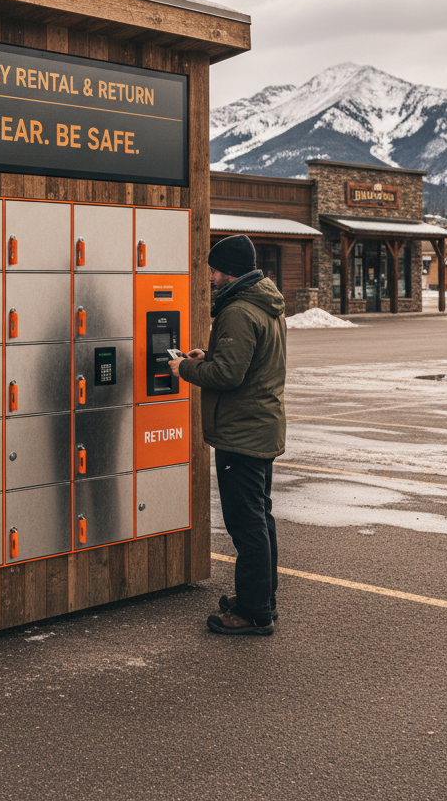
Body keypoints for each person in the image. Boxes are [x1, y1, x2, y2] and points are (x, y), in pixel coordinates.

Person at [168, 234, 286, 636]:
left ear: (230, 271)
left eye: (215, 270)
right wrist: (210, 355)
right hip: (260, 426)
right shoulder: (265, 304)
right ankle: (261, 597)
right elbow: (243, 363)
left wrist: (186, 369)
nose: (212, 277)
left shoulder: (238, 310)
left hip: (242, 433)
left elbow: (228, 375)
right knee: (260, 517)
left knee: (246, 523)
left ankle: (254, 614)